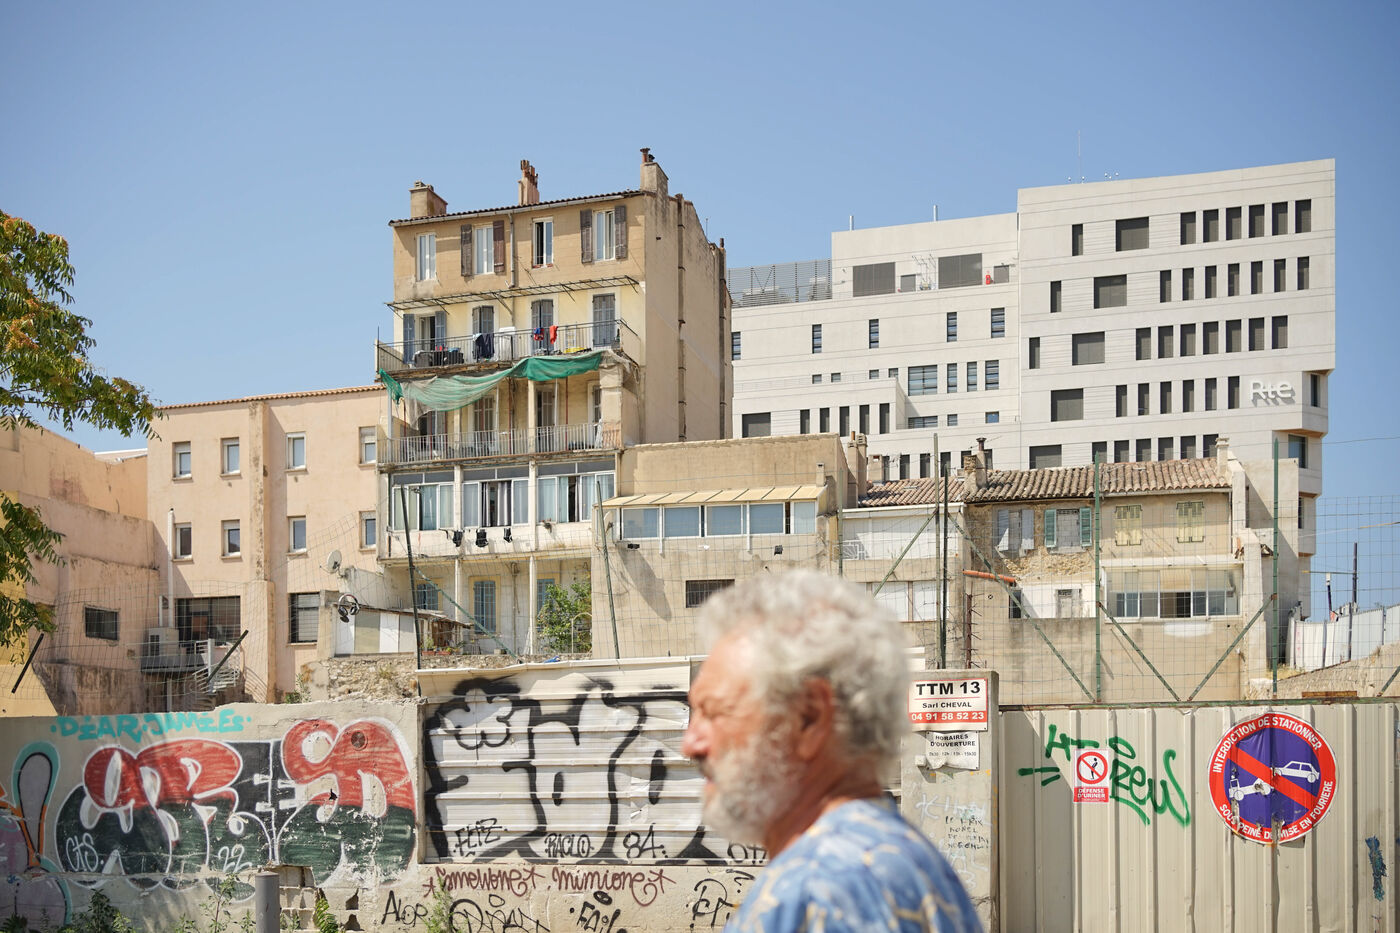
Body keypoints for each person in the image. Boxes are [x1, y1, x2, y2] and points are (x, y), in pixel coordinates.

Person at [682, 570, 982, 933]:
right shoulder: (902, 858)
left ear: (808, 718)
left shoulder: (821, 886)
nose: (690, 745)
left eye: (715, 711)